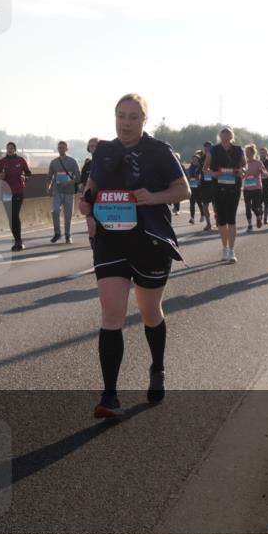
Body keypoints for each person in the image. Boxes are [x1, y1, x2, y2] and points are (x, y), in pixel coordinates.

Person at [79, 94, 189, 418]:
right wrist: (85, 203)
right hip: (111, 240)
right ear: (114, 118)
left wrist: (153, 197)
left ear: (144, 120)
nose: (126, 123)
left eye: (133, 117)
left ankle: (157, 366)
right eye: (121, 116)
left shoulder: (160, 151)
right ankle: (109, 396)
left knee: (149, 311)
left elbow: (183, 190)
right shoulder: (104, 151)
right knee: (111, 315)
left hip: (150, 240)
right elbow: (90, 190)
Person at [205, 127, 246, 263]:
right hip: (219, 187)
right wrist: (214, 173)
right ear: (220, 136)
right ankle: (224, 248)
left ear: (232, 136)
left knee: (231, 219)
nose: (226, 135)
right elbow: (205, 169)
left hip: (234, 187)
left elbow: (244, 167)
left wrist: (242, 171)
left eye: (228, 133)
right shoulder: (214, 150)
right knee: (222, 221)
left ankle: (232, 250)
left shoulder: (238, 149)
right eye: (223, 133)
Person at [0, 142, 32, 251]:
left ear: (15, 149)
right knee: (11, 218)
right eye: (8, 148)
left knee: (14, 215)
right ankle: (16, 239)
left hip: (18, 191)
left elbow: (29, 173)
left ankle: (18, 241)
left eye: (11, 148)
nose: (9, 150)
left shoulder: (20, 160)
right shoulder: (2, 162)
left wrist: (25, 177)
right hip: (5, 193)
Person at [47, 141, 81, 243]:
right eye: (59, 147)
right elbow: (49, 177)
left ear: (67, 149)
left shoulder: (73, 161)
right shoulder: (54, 162)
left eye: (62, 147)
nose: (61, 149)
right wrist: (48, 187)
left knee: (68, 215)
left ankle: (68, 235)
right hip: (57, 191)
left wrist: (68, 182)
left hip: (69, 192)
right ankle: (57, 233)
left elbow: (78, 177)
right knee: (55, 211)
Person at [242, 144, 266, 232]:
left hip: (257, 188)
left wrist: (262, 171)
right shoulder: (244, 163)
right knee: (247, 207)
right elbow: (241, 176)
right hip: (247, 188)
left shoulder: (258, 163)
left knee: (255, 206)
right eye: (246, 153)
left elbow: (265, 174)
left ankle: (259, 216)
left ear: (253, 153)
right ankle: (249, 225)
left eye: (248, 153)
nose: (247, 154)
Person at [198, 142, 215, 231]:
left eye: (208, 147)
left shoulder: (215, 157)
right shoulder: (201, 159)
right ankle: (208, 224)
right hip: (204, 185)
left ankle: (218, 222)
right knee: (205, 206)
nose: (207, 149)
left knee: (215, 206)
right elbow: (199, 170)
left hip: (214, 184)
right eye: (205, 148)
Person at [185, 154, 205, 224]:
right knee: (192, 203)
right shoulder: (190, 167)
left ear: (198, 160)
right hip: (191, 187)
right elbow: (187, 176)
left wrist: (199, 180)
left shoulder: (200, 167)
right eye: (193, 159)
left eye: (195, 159)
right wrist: (188, 178)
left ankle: (202, 215)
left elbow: (202, 176)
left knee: (199, 202)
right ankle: (192, 218)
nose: (194, 160)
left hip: (198, 188)